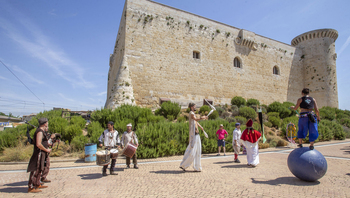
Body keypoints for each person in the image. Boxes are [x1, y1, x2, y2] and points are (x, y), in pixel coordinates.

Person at [179, 103, 207, 172]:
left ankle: (197, 167)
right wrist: (201, 118)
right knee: (192, 150)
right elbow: (195, 119)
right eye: (194, 106)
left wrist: (201, 127)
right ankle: (183, 165)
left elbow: (195, 122)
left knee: (198, 150)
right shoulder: (191, 113)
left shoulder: (193, 113)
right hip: (193, 135)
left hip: (197, 134)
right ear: (191, 107)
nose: (195, 107)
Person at [27, 118, 51, 193]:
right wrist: (46, 150)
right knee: (35, 169)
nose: (47, 124)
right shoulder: (39, 132)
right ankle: (30, 187)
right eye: (47, 123)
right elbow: (38, 144)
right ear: (44, 124)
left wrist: (48, 144)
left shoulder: (42, 131)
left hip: (42, 153)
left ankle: (37, 183)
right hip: (38, 153)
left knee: (40, 169)